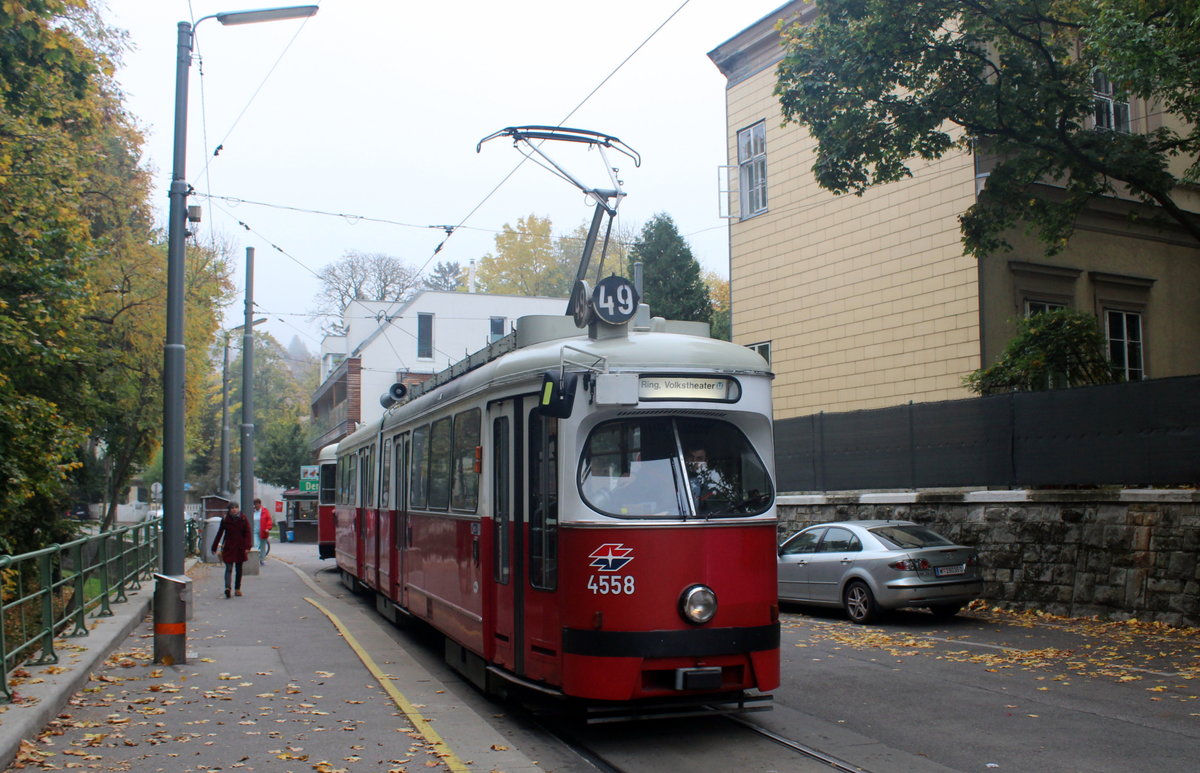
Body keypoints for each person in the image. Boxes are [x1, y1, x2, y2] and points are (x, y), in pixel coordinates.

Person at [212, 502, 252, 598]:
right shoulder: (225, 519)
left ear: (238, 509)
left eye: (236, 507)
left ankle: (237, 588)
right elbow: (220, 533)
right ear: (229, 510)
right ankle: (227, 588)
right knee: (228, 568)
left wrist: (247, 547)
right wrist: (214, 546)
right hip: (229, 547)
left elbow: (248, 533)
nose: (234, 509)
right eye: (232, 508)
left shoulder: (243, 518)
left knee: (239, 569)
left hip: (240, 547)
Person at [253, 497, 273, 564]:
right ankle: (255, 559)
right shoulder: (252, 511)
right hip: (254, 531)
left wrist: (268, 528)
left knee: (262, 545)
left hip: (263, 530)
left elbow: (269, 520)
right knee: (255, 544)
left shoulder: (264, 511)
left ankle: (262, 559)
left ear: (260, 504)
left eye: (257, 504)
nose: (256, 506)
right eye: (254, 504)